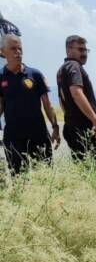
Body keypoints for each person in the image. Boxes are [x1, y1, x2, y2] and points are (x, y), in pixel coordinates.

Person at [0, 34, 60, 176]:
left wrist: (55, 127)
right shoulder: (1, 77)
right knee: (19, 178)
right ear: (2, 51)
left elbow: (48, 105)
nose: (18, 52)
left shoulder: (35, 75)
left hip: (38, 135)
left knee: (44, 176)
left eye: (20, 49)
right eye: (13, 49)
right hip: (13, 138)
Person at [57, 35, 96, 162]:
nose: (84, 53)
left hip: (73, 127)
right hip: (83, 129)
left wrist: (70, 117)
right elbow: (76, 93)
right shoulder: (74, 66)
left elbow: (61, 99)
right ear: (68, 50)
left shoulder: (62, 69)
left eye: (86, 50)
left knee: (84, 168)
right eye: (80, 49)